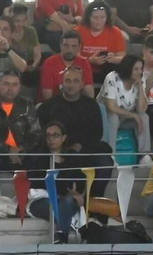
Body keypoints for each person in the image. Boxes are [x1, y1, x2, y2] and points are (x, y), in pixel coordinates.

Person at [37, 63, 111, 191]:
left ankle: (93, 198)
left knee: (105, 162)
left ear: (82, 84)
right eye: (68, 81)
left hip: (85, 149)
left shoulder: (92, 106)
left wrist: (80, 145)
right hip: (57, 149)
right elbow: (43, 132)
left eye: (76, 81)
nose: (71, 85)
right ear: (62, 83)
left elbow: (97, 132)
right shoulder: (48, 106)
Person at [0, 70, 43, 171]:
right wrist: (8, 150)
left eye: (15, 85)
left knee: (39, 156)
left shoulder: (26, 105)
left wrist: (21, 149)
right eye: (6, 84)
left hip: (20, 151)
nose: (10, 88)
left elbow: (35, 134)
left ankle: (29, 182)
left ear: (19, 87)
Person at [100, 53, 151, 157]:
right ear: (128, 68)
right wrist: (133, 115)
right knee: (113, 117)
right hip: (105, 118)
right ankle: (111, 155)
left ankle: (144, 155)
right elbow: (111, 107)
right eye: (136, 69)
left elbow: (142, 109)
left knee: (144, 117)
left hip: (124, 118)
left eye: (141, 69)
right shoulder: (112, 78)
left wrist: (140, 87)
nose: (139, 72)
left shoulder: (140, 80)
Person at [77, 1, 127, 84]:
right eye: (95, 18)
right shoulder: (78, 31)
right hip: (83, 72)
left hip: (108, 72)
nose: (99, 21)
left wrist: (113, 59)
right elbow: (73, 57)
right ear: (88, 17)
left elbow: (123, 58)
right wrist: (89, 60)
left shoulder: (115, 32)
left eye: (102, 17)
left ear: (107, 17)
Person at [39, 26, 94, 99]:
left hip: (76, 103)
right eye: (66, 46)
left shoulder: (84, 63)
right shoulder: (49, 63)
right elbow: (47, 97)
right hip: (53, 103)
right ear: (60, 45)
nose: (69, 50)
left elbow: (89, 93)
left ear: (79, 47)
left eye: (73, 46)